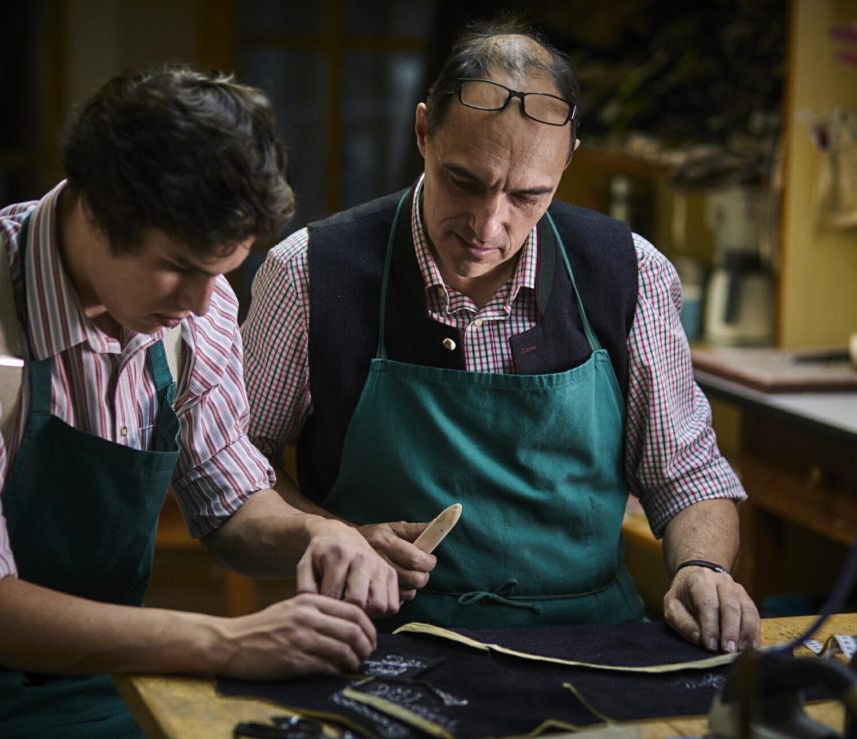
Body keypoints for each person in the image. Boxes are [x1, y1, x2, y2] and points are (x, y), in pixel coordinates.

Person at [0, 65, 400, 739]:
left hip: (110, 676)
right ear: (95, 210)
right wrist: (227, 641)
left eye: (222, 271)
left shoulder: (202, 307)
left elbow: (231, 509)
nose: (202, 301)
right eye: (179, 267)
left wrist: (320, 534)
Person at [241, 18, 761, 652]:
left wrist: (702, 568)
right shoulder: (309, 273)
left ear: (567, 162)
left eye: (527, 195)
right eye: (467, 181)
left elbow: (685, 475)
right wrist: (332, 534)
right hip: (376, 641)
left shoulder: (631, 274)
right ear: (423, 131)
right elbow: (242, 471)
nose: (489, 224)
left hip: (591, 641)